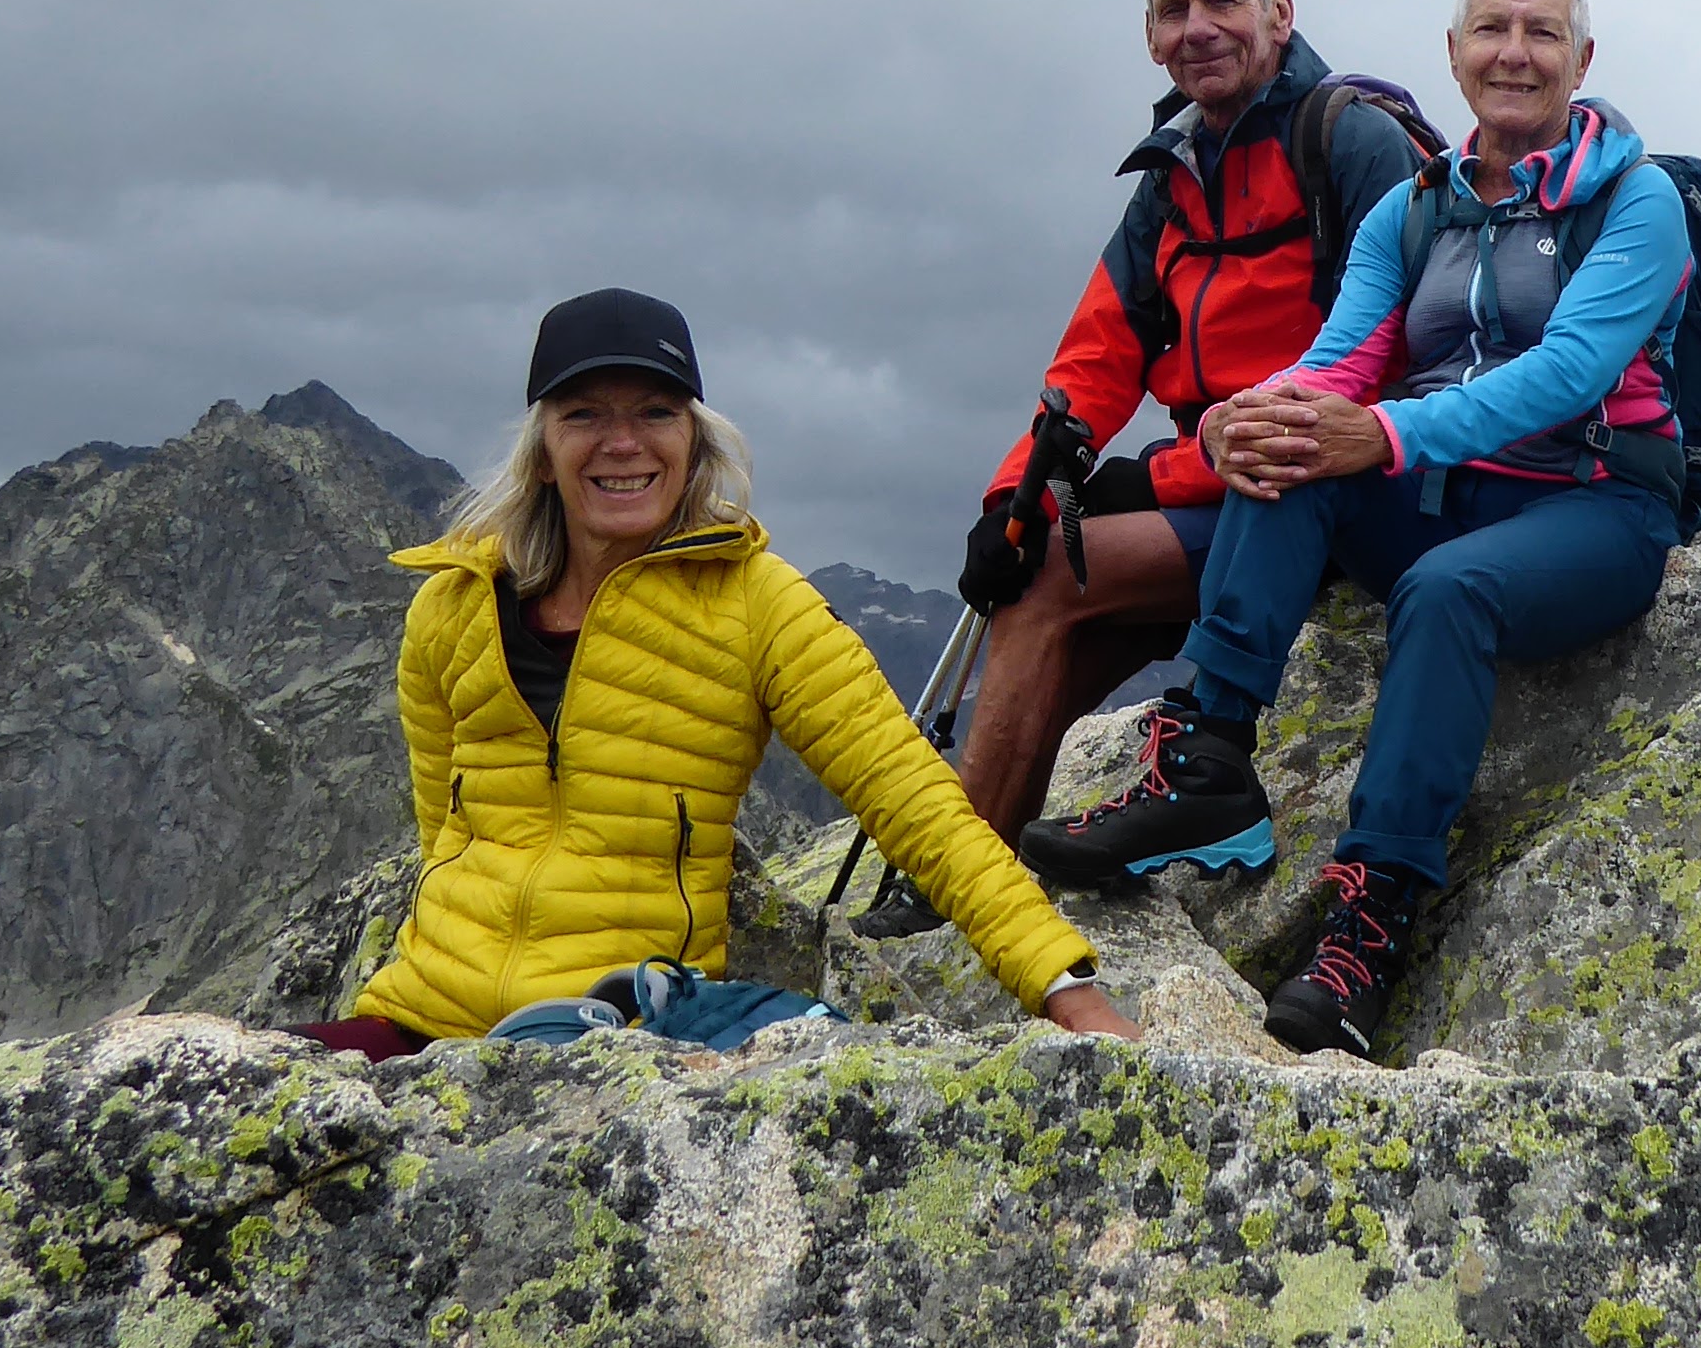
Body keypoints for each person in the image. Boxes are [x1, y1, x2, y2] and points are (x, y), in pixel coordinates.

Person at [1022, 0, 1693, 1060]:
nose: (1514, 52)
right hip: (1448, 490)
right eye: (1491, 29)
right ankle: (1210, 763)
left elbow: (1572, 371)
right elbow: (1341, 360)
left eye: (1541, 32)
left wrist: (1380, 433)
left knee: (1448, 589)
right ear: (1453, 50)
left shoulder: (1638, 198)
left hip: (1597, 504)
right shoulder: (1414, 210)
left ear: (1582, 59)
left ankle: (1371, 920)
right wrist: (1248, 418)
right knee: (1285, 454)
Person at [293, 288, 1139, 1055]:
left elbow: (917, 804)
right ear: (542, 452)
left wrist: (1067, 992)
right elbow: (443, 839)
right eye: (584, 414)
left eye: (656, 412)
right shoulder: (451, 609)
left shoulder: (757, 604)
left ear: (694, 439)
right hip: (423, 1023)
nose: (623, 442)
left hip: (623, 1036)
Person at [851, 0, 1425, 939]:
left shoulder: (1350, 142)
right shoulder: (1174, 176)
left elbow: (1380, 364)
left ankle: (954, 882)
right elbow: (1098, 355)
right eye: (1173, 9)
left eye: (1222, 0)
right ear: (1150, 37)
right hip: (1220, 483)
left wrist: (1159, 478)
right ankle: (987, 874)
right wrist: (1014, 494)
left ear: (1278, 12)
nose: (1198, 26)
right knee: (1056, 589)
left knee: (1052, 580)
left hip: (1321, 492)